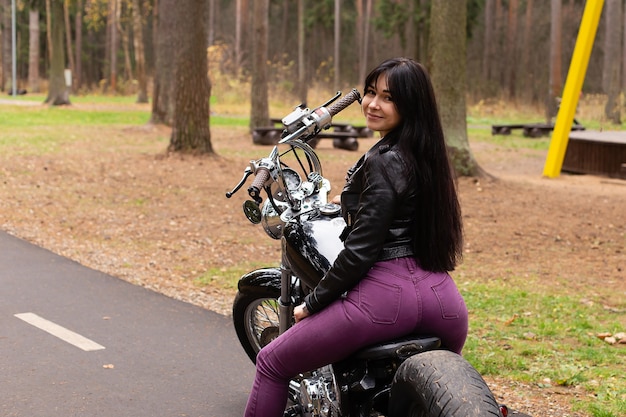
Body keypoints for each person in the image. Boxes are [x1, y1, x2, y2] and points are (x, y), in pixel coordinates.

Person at [243, 57, 468, 417]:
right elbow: (400, 207)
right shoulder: (430, 154)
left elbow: (360, 252)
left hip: (386, 300)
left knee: (272, 362)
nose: (373, 104)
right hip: (444, 302)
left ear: (410, 105)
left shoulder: (382, 161)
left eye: (388, 98)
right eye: (369, 92)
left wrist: (312, 303)